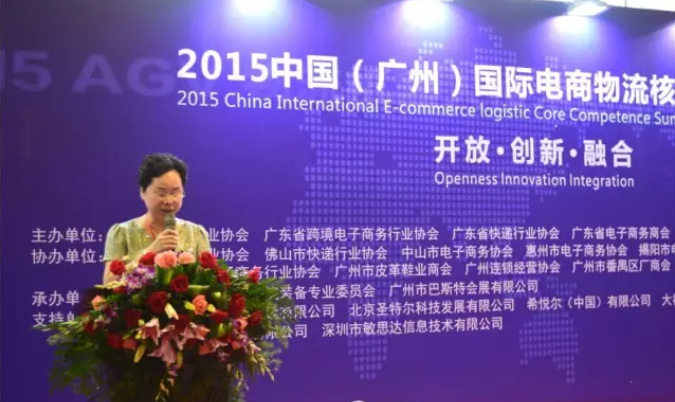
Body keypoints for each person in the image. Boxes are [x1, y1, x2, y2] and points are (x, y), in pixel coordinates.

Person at [102, 153, 211, 284]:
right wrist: (150, 252)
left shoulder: (196, 233)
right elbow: (109, 283)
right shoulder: (122, 233)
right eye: (161, 193)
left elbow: (210, 283)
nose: (169, 201)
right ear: (142, 192)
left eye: (175, 193)